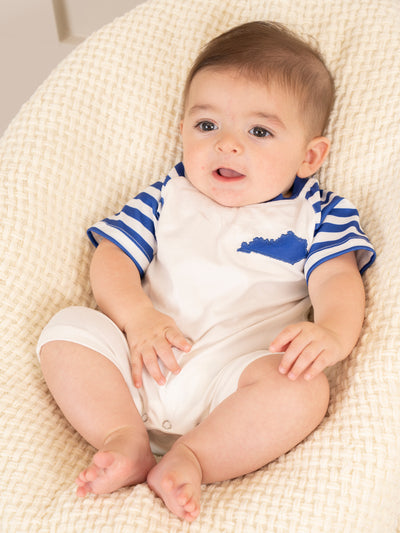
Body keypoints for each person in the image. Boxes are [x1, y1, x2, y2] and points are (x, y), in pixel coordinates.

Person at [37, 21, 375, 522]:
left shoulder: (318, 214)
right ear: (182, 131)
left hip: (233, 386)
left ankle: (193, 457)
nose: (227, 144)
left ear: (309, 156)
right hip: (136, 366)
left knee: (305, 389)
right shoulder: (167, 195)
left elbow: (337, 280)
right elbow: (112, 256)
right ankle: (123, 436)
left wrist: (332, 332)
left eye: (259, 132)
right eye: (207, 126)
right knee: (67, 328)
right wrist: (136, 317)